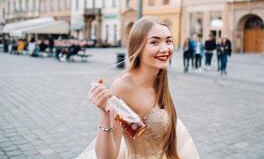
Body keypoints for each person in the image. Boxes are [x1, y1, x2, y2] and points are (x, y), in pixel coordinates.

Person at [76, 16, 200, 159]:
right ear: (138, 47)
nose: (165, 48)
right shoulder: (124, 86)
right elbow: (107, 157)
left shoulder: (159, 77)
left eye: (168, 41)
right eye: (154, 42)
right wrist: (105, 114)